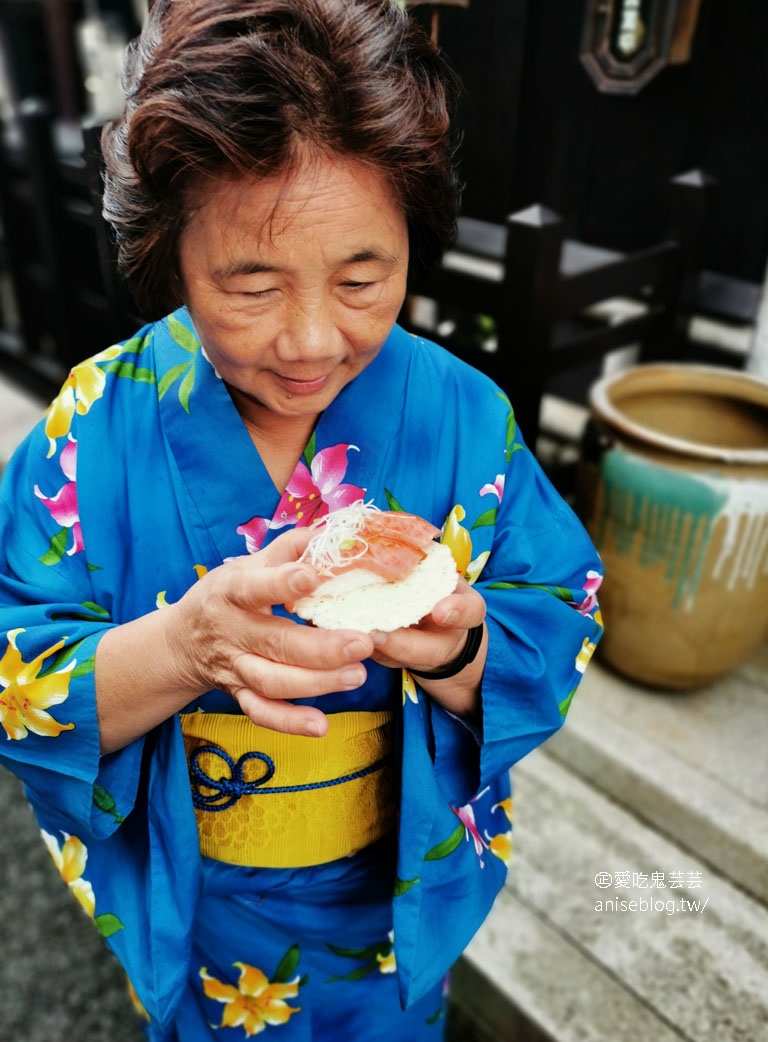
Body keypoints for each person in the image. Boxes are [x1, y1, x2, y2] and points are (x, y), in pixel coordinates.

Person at [0, 1, 604, 1039]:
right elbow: (15, 667)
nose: (313, 339)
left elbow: (563, 601)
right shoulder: (96, 425)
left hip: (384, 906)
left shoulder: (465, 415)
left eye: (364, 276)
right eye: (251, 283)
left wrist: (466, 650)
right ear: (170, 255)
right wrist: (186, 647)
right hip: (208, 906)